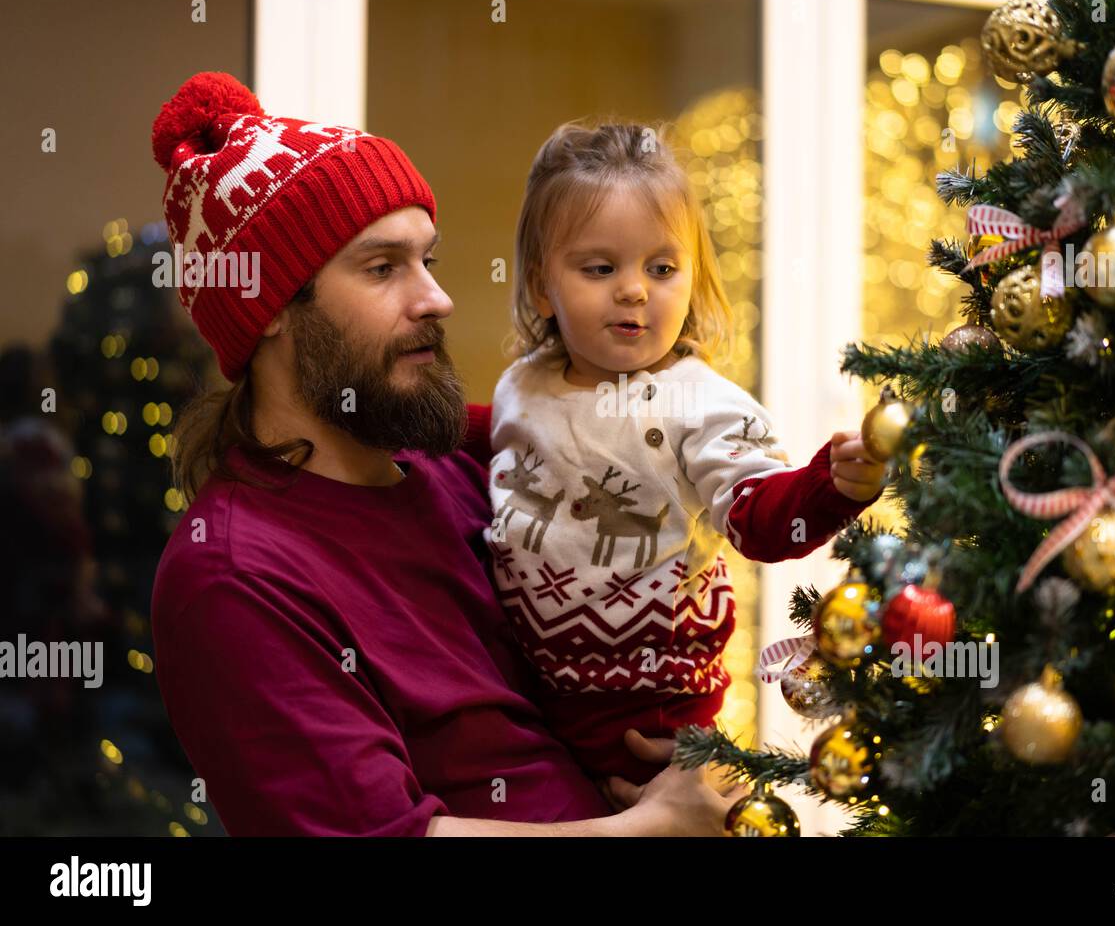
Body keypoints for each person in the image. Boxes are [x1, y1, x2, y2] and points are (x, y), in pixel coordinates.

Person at [148, 72, 739, 835]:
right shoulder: (234, 574)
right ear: (270, 312)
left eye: (429, 259)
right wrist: (648, 828)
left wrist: (676, 746)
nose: (435, 297)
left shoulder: (466, 471)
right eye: (383, 267)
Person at [480, 121, 888, 784]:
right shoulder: (523, 384)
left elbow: (760, 519)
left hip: (654, 721)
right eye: (600, 268)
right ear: (537, 286)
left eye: (661, 268)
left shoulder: (700, 405)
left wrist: (833, 485)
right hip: (531, 699)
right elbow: (487, 437)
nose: (635, 289)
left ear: (692, 279)